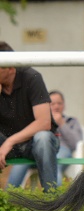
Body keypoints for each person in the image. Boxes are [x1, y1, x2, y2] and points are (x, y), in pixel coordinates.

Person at [0, 41, 59, 191]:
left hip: (35, 144)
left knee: (43, 138)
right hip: (7, 143)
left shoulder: (32, 77)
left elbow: (44, 123)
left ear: (10, 67)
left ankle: (51, 200)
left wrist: (9, 142)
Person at [48, 90, 84, 183]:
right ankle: (9, 195)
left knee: (54, 164)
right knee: (20, 165)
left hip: (63, 150)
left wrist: (62, 124)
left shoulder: (72, 121)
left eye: (59, 103)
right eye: (52, 104)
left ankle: (55, 196)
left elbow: (77, 143)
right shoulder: (41, 121)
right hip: (44, 150)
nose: (56, 106)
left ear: (64, 105)